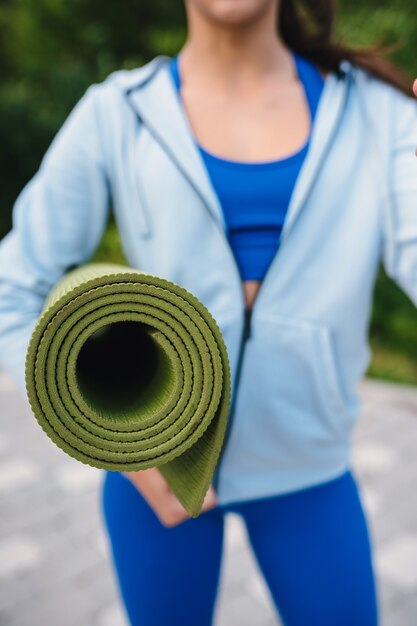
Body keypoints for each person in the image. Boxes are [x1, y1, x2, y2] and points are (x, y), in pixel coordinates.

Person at [0, 0, 416, 624]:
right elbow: (13, 287)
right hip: (154, 469)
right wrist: (113, 436)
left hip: (311, 469)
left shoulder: (379, 114)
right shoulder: (118, 112)